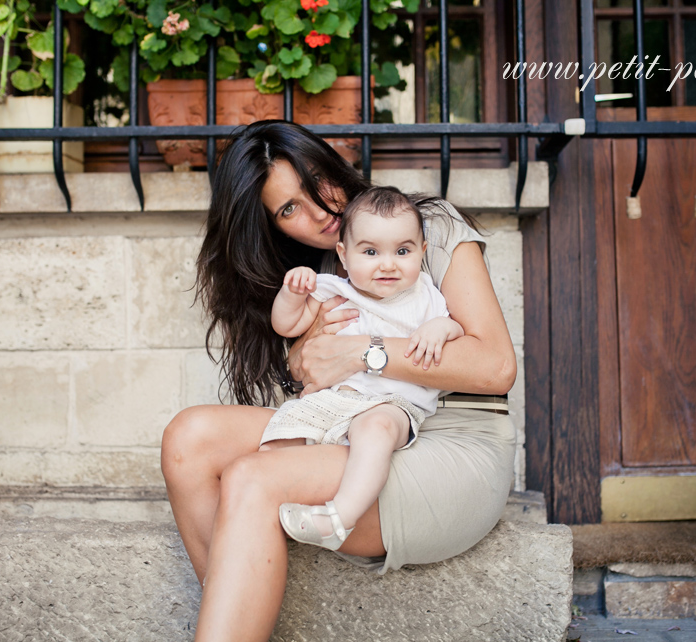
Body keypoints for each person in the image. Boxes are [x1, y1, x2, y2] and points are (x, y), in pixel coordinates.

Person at [160, 120, 517, 642]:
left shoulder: (427, 227)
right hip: (356, 426)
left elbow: (494, 366)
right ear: (273, 226)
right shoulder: (325, 272)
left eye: (312, 186)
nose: (316, 214)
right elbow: (314, 374)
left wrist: (363, 354)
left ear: (329, 165)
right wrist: (310, 354)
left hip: (453, 445)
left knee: (253, 476)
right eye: (288, 210)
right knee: (188, 437)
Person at [260, 186, 465, 551]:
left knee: (376, 428)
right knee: (282, 432)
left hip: (395, 403)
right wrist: (292, 293)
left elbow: (455, 328)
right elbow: (286, 326)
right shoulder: (333, 289)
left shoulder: (425, 294)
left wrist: (440, 328)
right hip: (337, 399)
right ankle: (269, 504)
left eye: (402, 251)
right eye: (370, 252)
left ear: (422, 252)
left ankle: (339, 518)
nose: (387, 264)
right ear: (344, 254)